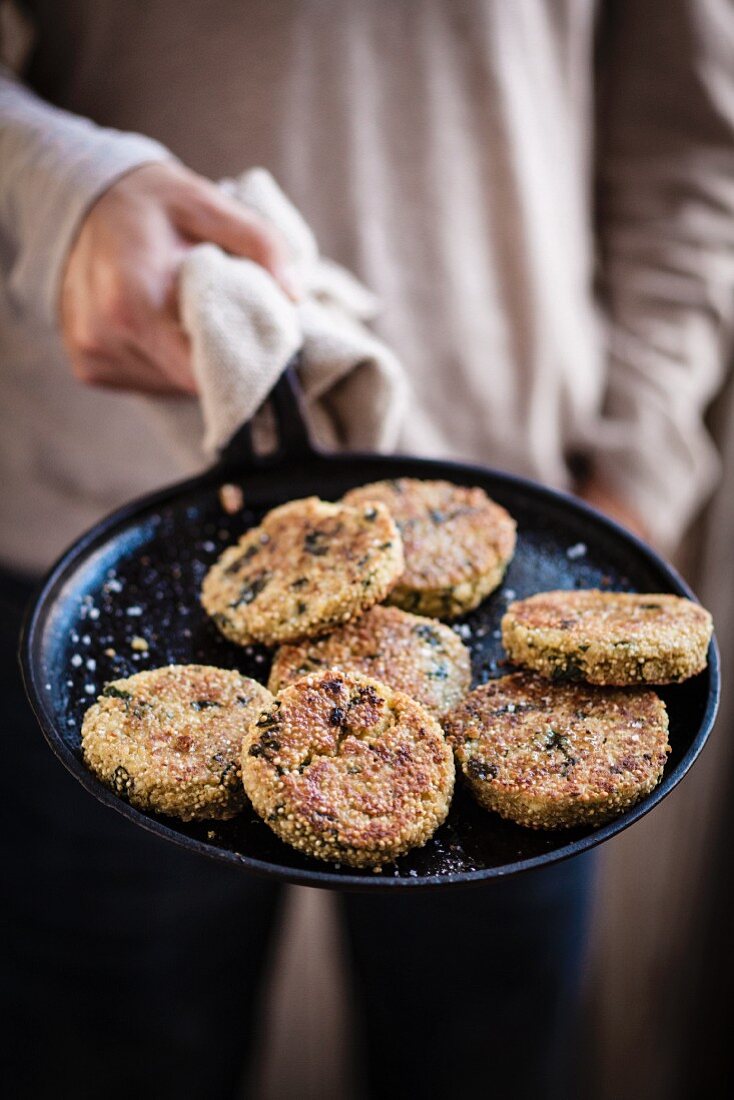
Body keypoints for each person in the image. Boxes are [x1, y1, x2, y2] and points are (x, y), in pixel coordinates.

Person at [1, 2, 732, 1098]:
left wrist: (637, 457)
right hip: (98, 533)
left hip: (527, 567)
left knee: (486, 1063)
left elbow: (687, 138)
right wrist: (59, 177)